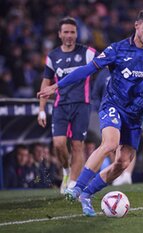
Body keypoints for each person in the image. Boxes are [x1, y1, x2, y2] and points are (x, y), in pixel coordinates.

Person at [38, 9, 143, 217]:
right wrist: (57, 86)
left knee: (122, 163)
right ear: (137, 25)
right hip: (113, 105)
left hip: (135, 113)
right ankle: (76, 187)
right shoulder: (117, 49)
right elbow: (87, 70)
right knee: (110, 144)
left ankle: (86, 195)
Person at [37, 17, 99, 194]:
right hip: (61, 105)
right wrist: (41, 109)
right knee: (58, 144)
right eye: (66, 32)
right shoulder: (53, 56)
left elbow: (105, 64)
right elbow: (46, 83)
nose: (69, 35)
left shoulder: (88, 53)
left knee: (77, 145)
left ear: (77, 34)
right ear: (59, 34)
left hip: (82, 105)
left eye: (72, 32)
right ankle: (65, 170)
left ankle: (72, 184)